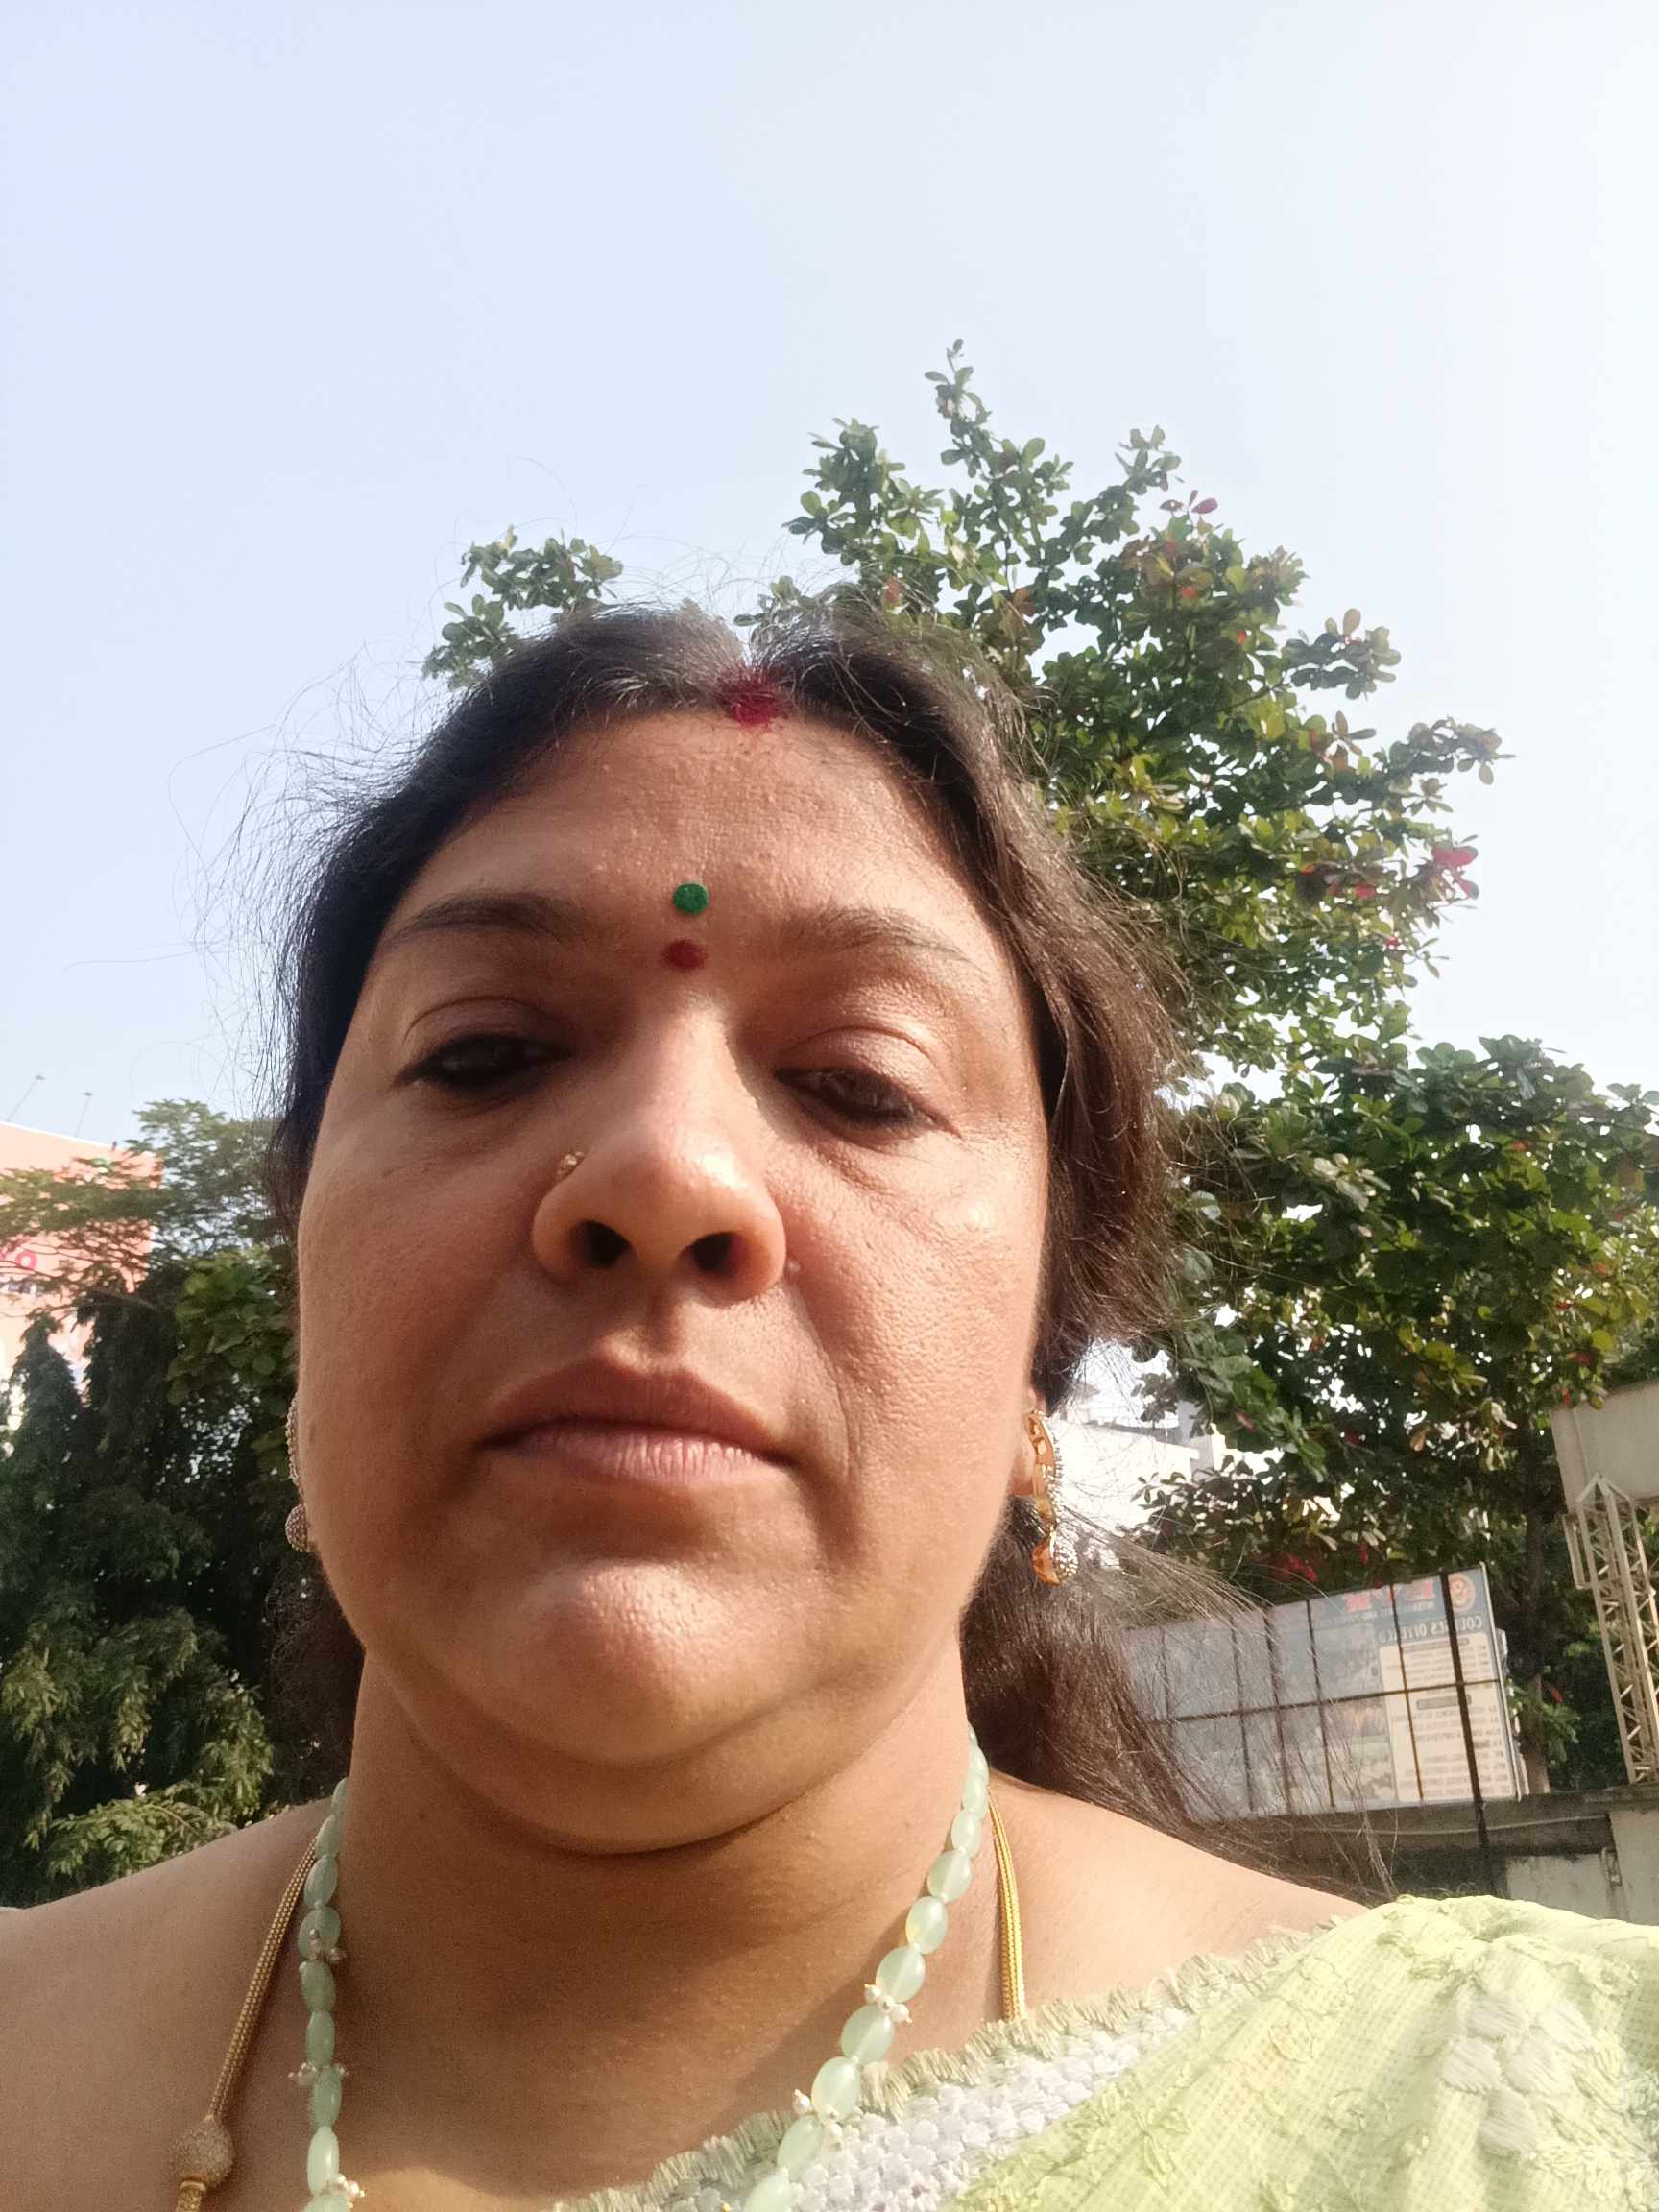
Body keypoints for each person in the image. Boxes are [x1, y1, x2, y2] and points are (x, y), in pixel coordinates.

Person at [3, 599, 1655, 2212]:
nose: (662, 1171)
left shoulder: (1545, 2111)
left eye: (861, 1084)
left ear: (1038, 1364)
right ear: (304, 1257)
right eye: (484, 1053)